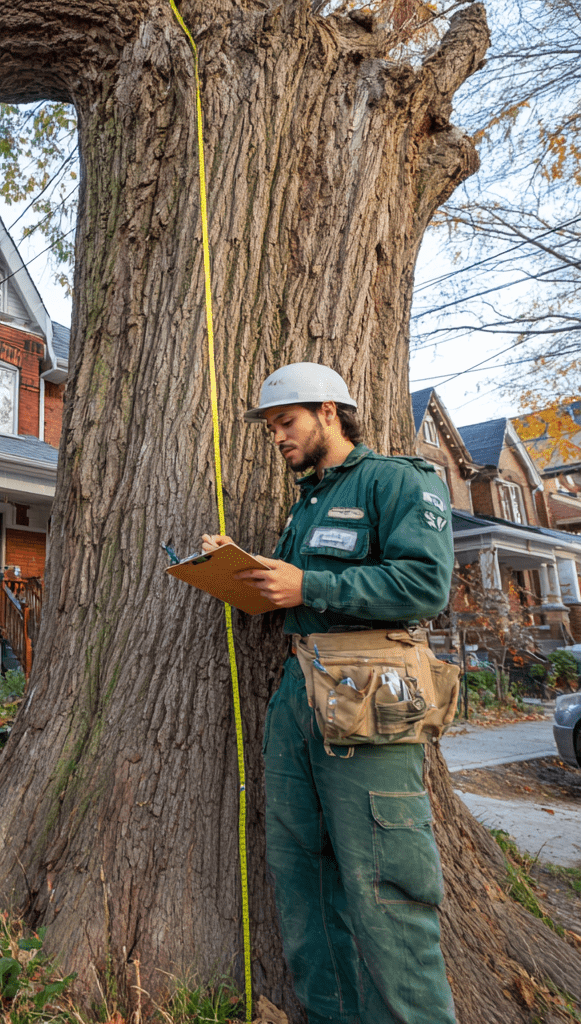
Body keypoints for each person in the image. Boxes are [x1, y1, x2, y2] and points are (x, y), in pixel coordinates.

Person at [202, 362, 457, 1024]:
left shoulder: (397, 479)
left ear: (328, 411)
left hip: (369, 692)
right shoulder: (306, 504)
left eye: (285, 423)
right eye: (270, 428)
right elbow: (292, 587)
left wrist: (308, 586)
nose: (277, 438)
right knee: (301, 870)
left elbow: (424, 586)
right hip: (298, 690)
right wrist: (245, 569)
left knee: (385, 880)